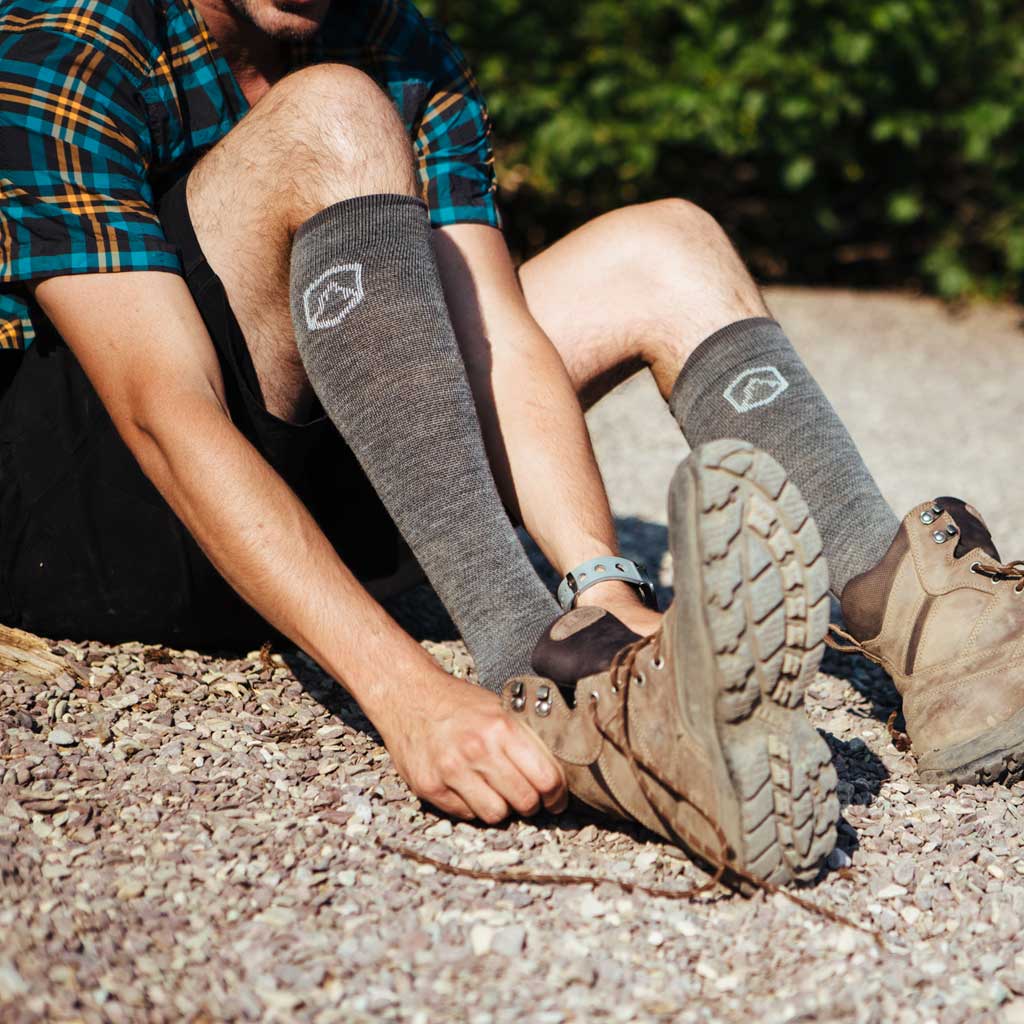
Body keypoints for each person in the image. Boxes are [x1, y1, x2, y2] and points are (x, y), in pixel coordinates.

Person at [2, 0, 1022, 881]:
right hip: (117, 530)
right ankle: (534, 668)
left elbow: (500, 335)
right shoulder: (70, 40)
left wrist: (602, 587)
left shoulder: (403, 44)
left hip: (345, 465)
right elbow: (160, 415)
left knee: (667, 245)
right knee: (332, 114)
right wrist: (409, 695)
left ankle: (928, 630)